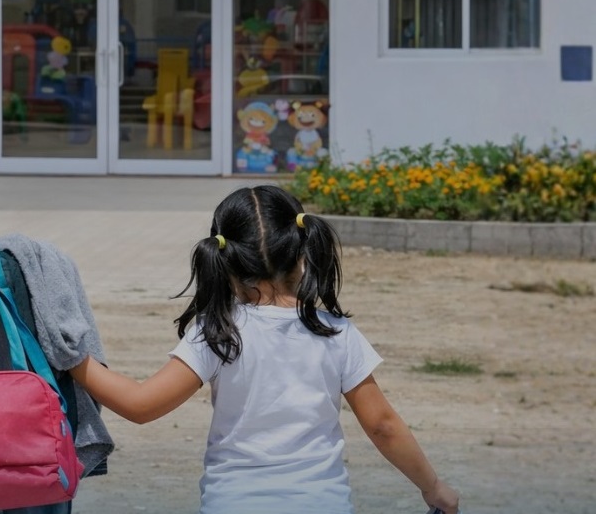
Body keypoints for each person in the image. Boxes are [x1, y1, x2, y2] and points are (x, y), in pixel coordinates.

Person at [69, 185, 460, 514]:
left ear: (225, 260)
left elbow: (140, 405)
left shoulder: (219, 331)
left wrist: (72, 359)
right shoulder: (336, 333)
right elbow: (383, 426)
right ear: (302, 253)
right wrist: (432, 487)